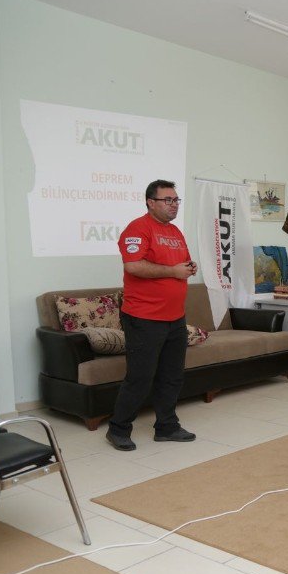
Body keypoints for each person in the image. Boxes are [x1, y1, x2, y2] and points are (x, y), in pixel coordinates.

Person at [105, 180, 197, 451]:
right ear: (150, 202)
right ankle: (118, 429)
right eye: (167, 200)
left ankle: (166, 427)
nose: (174, 205)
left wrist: (188, 268)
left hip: (174, 317)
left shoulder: (175, 232)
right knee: (140, 377)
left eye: (176, 200)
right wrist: (174, 272)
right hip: (144, 317)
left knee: (172, 375)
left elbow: (179, 264)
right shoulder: (138, 228)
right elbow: (133, 265)